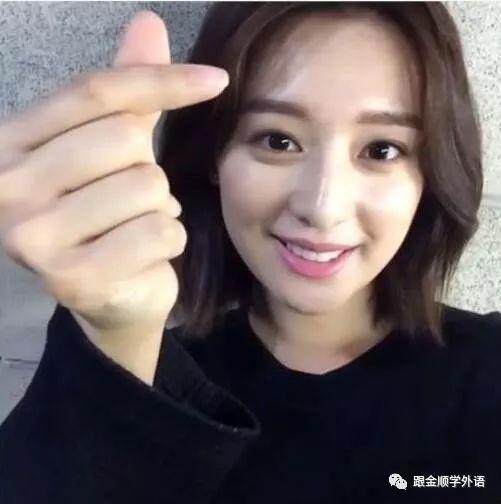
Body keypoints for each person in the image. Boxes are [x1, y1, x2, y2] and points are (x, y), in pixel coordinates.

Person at [0, 3, 499, 503]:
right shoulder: (148, 367)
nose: (322, 209)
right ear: (214, 155)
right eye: (278, 141)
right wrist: (115, 337)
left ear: (430, 174)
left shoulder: (487, 369)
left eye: (382, 150)